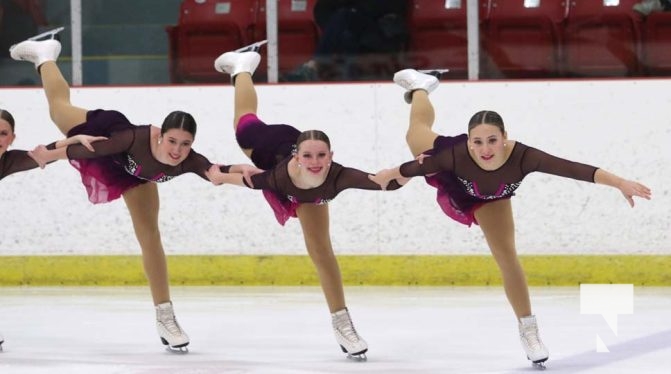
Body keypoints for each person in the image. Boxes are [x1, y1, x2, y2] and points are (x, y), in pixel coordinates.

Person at [369, 69, 652, 367]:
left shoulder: (523, 157)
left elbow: (574, 169)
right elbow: (416, 169)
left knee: (506, 256)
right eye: (477, 142)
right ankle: (421, 87)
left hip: (491, 199)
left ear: (505, 137)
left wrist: (619, 182)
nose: (485, 149)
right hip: (450, 175)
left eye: (492, 140)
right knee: (416, 129)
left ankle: (529, 331)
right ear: (468, 142)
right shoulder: (455, 154)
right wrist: (395, 174)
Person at [10, 34, 259, 352]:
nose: (177, 151)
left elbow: (216, 173)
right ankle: (45, 56)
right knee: (59, 110)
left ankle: (165, 317)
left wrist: (247, 171)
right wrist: (47, 153)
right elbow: (86, 149)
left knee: (150, 237)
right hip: (105, 141)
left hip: (137, 176)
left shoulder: (189, 160)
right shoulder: (130, 138)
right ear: (160, 135)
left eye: (185, 144)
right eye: (172, 142)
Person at [206, 45, 407, 360]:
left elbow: (382, 183)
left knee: (321, 251)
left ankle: (342, 324)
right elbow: (250, 179)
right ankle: (242, 68)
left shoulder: (337, 175)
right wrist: (220, 175)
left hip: (302, 164)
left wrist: (406, 171)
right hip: (269, 146)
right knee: (244, 125)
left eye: (321, 157)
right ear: (298, 158)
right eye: (309, 157)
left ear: (331, 157)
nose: (315, 163)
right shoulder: (279, 176)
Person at [284, 0, 409, 82]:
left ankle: (314, 67)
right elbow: (321, 9)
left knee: (345, 17)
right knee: (346, 31)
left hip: (383, 32)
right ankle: (345, 79)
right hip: (352, 32)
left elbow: (382, 7)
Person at [2, 108, 105, 180]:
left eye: (3, 134)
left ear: (12, 139)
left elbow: (46, 153)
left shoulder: (7, 161)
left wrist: (75, 139)